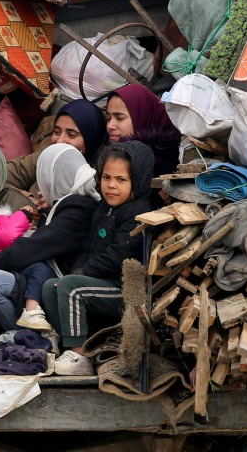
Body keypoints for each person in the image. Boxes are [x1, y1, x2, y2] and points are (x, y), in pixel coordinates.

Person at [0, 144, 102, 335]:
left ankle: (30, 341)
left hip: (52, 285)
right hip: (39, 280)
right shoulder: (64, 207)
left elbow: (32, 248)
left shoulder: (78, 210)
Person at [42, 142, 156, 376]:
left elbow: (117, 255)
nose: (111, 185)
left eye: (121, 180)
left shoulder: (138, 213)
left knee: (71, 288)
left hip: (123, 290)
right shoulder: (103, 210)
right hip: (99, 282)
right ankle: (71, 345)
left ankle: (79, 356)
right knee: (49, 288)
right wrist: (77, 271)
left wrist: (81, 276)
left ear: (138, 181)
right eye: (106, 177)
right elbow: (87, 249)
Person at [6, 98, 107, 193]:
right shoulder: (49, 156)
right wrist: (28, 199)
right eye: (57, 132)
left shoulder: (104, 179)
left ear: (92, 139)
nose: (59, 141)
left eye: (71, 135)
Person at [106, 83, 182, 177]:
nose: (110, 126)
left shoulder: (155, 164)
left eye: (120, 118)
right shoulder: (112, 155)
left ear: (143, 116)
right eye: (108, 118)